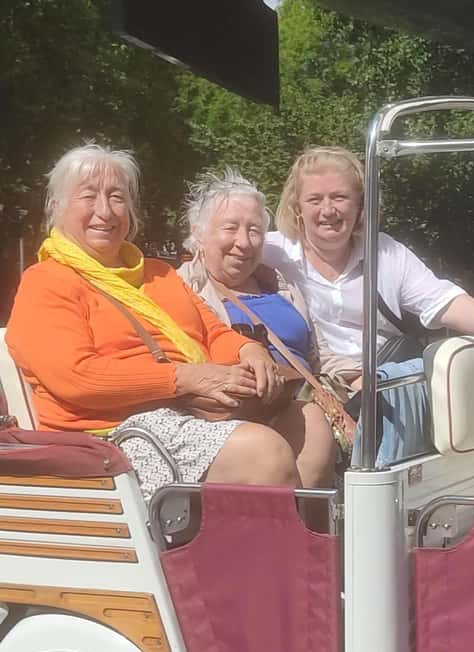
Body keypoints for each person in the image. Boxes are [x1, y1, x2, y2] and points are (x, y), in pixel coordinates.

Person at [6, 143, 301, 500]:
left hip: (185, 411)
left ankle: (299, 535)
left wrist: (248, 350)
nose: (105, 211)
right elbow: (78, 378)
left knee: (308, 424)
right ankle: (253, 536)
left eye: (117, 197)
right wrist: (184, 378)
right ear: (57, 207)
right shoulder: (46, 281)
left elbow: (211, 331)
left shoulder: (159, 273)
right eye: (89, 196)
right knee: (263, 454)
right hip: (110, 436)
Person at [263, 146, 474, 390]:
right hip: (311, 387)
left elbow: (442, 302)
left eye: (340, 197)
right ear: (297, 207)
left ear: (361, 205)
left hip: (384, 384)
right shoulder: (270, 251)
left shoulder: (384, 252)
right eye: (315, 199)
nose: (328, 210)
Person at [176, 168, 336, 487]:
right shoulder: (182, 288)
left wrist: (359, 378)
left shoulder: (281, 285)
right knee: (311, 422)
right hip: (237, 416)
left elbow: (320, 354)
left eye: (254, 230)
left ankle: (303, 516)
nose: (244, 242)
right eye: (230, 228)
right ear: (199, 234)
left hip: (301, 401)